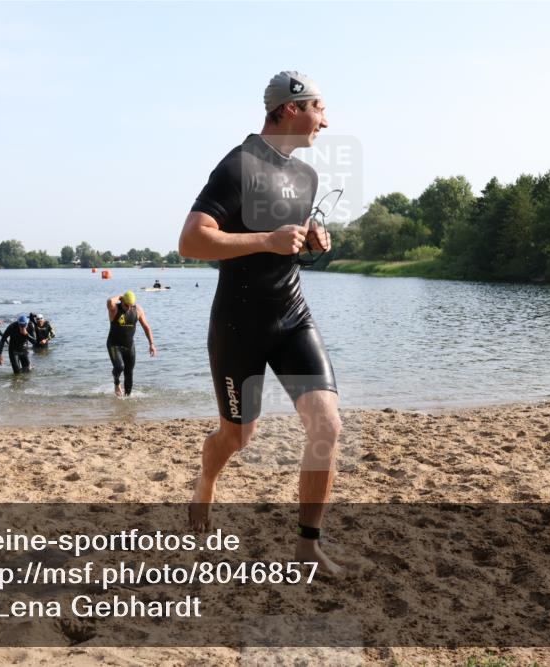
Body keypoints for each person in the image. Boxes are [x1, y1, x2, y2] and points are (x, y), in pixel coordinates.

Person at [177, 71, 341, 572]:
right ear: (291, 108)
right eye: (319, 108)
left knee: (327, 424)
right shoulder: (238, 165)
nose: (326, 121)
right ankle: (206, 481)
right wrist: (267, 239)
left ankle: (307, 543)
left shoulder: (306, 175)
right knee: (237, 438)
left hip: (292, 315)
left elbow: (284, 240)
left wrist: (313, 237)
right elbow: (191, 241)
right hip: (239, 325)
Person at [106, 290, 156, 397]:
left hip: (129, 346)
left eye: (130, 305)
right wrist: (120, 296)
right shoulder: (114, 309)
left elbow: (146, 328)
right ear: (122, 301)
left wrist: (151, 344)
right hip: (114, 345)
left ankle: (127, 400)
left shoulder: (138, 310)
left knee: (129, 373)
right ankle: (116, 383)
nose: (128, 307)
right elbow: (110, 301)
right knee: (119, 367)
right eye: (126, 305)